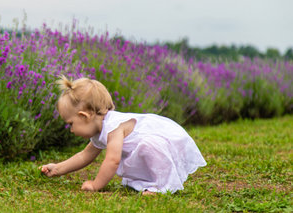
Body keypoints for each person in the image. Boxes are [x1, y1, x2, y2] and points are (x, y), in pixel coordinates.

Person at [40, 76, 207, 194]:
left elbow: (113, 160)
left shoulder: (113, 127)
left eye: (71, 124)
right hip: (152, 143)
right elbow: (84, 155)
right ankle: (147, 182)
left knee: (149, 146)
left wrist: (96, 185)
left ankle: (162, 187)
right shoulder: (100, 130)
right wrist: (58, 169)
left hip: (166, 140)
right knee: (144, 149)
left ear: (85, 116)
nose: (70, 129)